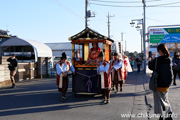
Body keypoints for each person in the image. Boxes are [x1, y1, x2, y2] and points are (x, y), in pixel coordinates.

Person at [148, 44, 173, 120]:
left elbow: (150, 67)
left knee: (158, 101)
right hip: (167, 83)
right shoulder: (169, 59)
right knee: (165, 99)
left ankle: (161, 116)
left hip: (158, 83)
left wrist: (150, 60)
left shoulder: (157, 60)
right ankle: (169, 115)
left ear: (159, 51)